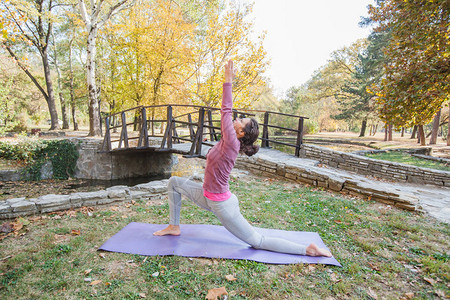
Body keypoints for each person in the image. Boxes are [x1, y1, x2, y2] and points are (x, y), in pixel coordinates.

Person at [154, 60, 331, 257]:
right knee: (174, 183)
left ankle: (307, 250)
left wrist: (228, 81)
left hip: (222, 206)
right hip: (207, 197)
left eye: (241, 121)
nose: (236, 119)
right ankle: (174, 226)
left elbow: (226, 110)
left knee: (257, 241)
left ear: (239, 132)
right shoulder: (226, 142)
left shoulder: (231, 143)